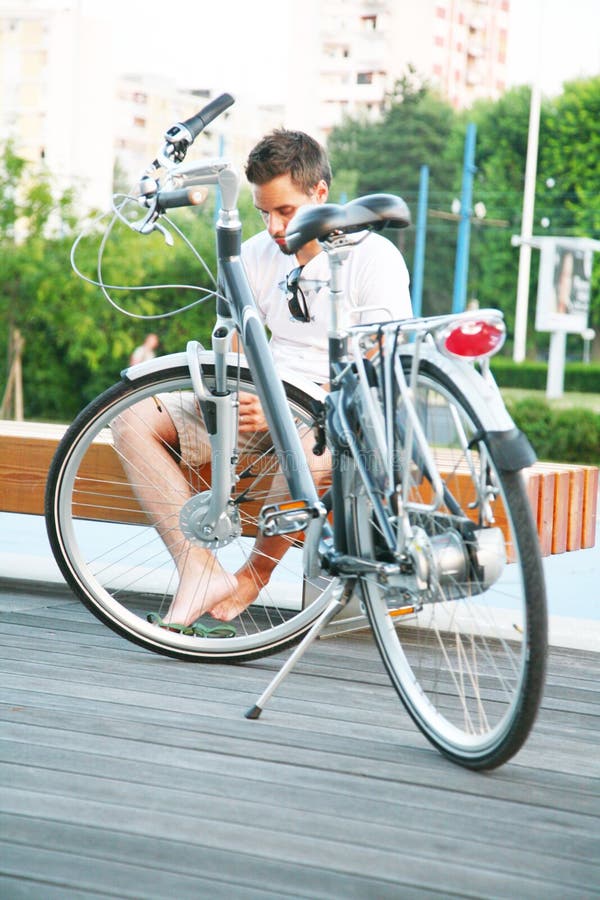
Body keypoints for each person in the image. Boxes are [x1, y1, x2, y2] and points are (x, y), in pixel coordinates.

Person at [113, 129, 412, 629]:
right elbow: (228, 344)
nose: (274, 227)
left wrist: (282, 412)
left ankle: (252, 576)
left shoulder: (373, 258)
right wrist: (234, 400)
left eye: (286, 212)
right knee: (131, 418)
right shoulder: (253, 253)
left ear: (320, 193)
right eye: (263, 212)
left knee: (313, 452)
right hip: (254, 405)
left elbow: (380, 367)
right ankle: (198, 568)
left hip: (329, 419)